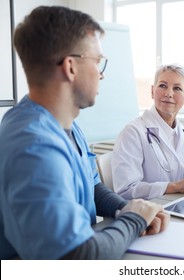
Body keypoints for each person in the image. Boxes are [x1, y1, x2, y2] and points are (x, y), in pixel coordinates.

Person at [0, 6, 169, 260]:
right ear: (71, 67)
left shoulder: (67, 124)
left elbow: (91, 185)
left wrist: (129, 208)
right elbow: (77, 256)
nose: (101, 74)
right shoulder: (32, 145)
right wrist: (134, 220)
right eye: (98, 61)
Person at [112, 64, 184, 200]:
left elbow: (182, 173)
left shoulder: (182, 131)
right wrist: (175, 187)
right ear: (152, 91)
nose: (168, 93)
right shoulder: (133, 132)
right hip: (149, 213)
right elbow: (125, 191)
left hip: (177, 205)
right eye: (162, 86)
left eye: (177, 88)